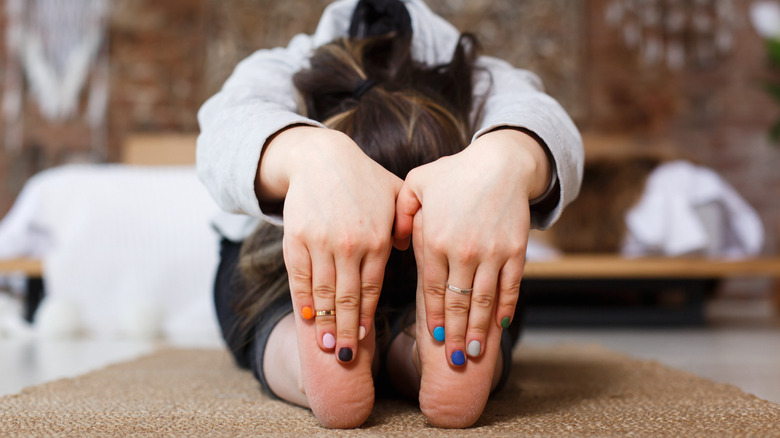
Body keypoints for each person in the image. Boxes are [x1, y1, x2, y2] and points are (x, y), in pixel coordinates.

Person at [197, 0, 583, 429]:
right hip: (451, 277)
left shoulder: (278, 66)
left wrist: (500, 163)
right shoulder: (486, 77)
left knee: (260, 298)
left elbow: (221, 130)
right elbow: (553, 124)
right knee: (475, 301)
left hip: (297, 279)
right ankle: (427, 349)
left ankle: (299, 355)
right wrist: (313, 157)